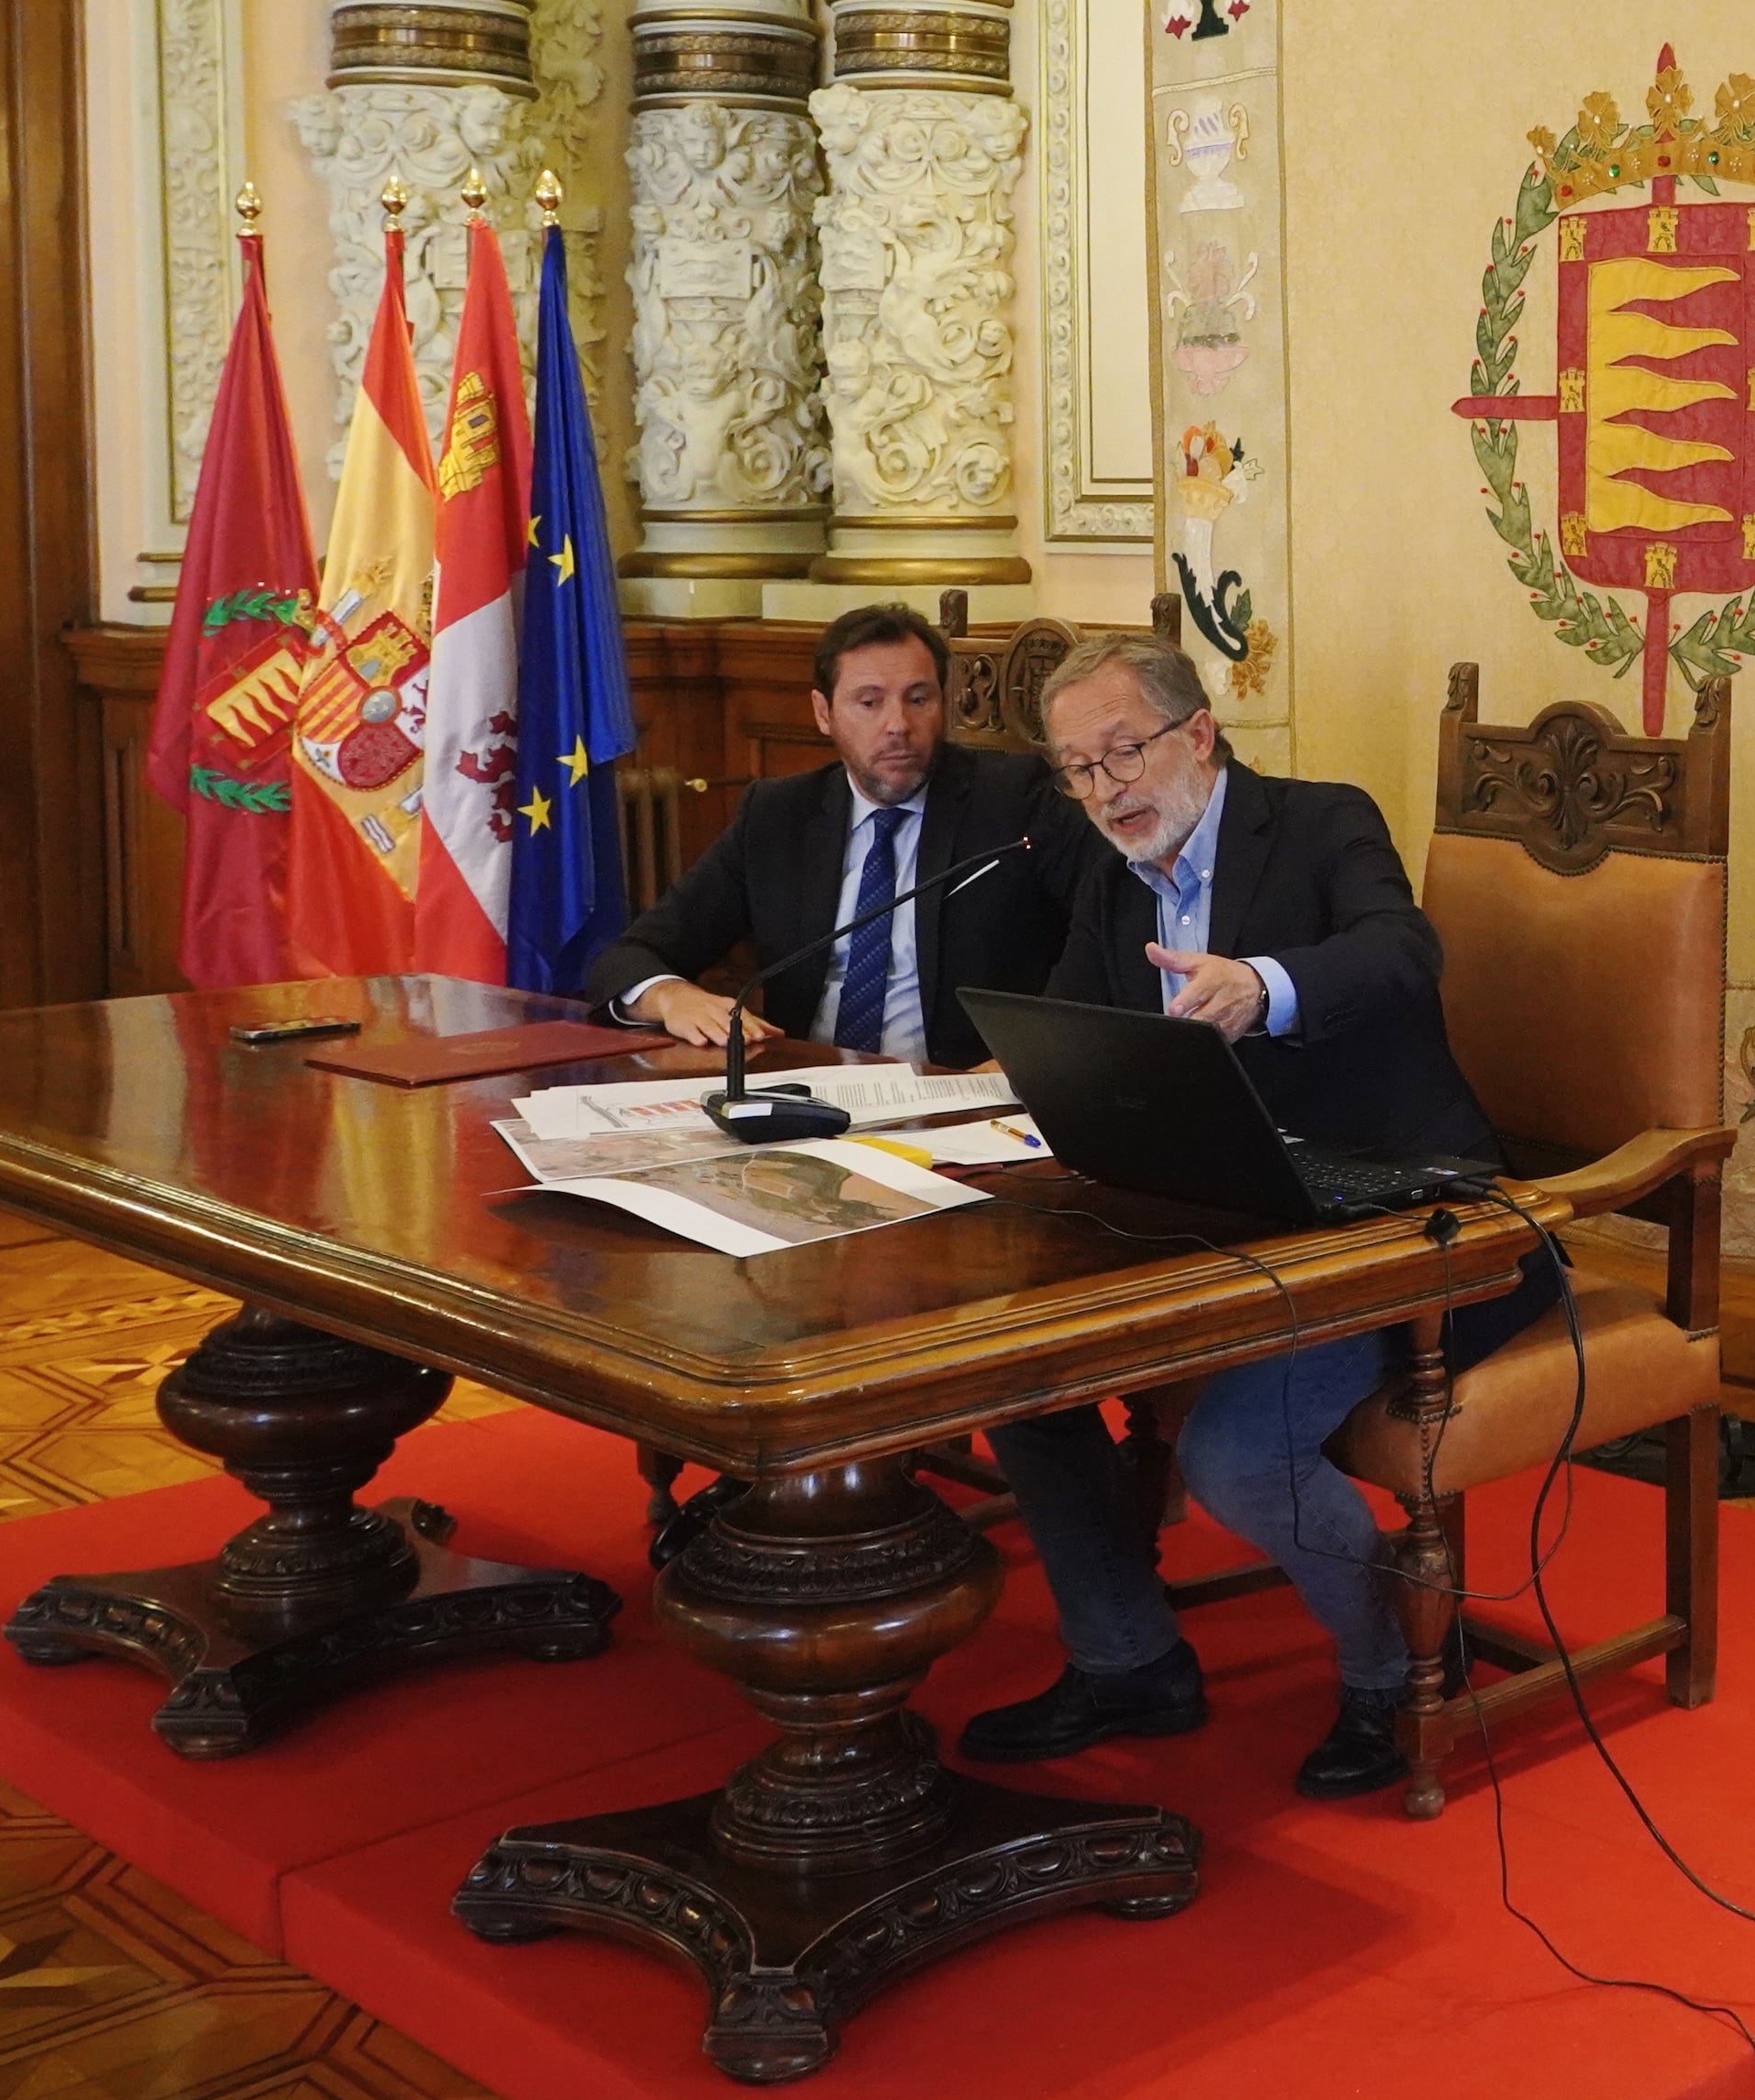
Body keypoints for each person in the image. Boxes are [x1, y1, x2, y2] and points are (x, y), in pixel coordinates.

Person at [960, 628, 1552, 1801]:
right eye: (1076, 772)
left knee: (1238, 1456)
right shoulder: (1102, 871)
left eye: (1121, 755)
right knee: (1011, 1379)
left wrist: (1265, 987)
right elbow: (1081, 1027)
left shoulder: (1323, 821)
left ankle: (1389, 1670)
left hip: (1392, 1217)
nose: (1102, 792)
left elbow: (1402, 949)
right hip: (1210, 1213)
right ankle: (1127, 1657)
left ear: (1197, 734)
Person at [584, 604, 1084, 1070]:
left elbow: (1104, 944)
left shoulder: (1015, 801)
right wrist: (672, 996)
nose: (898, 725)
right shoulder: (778, 815)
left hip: (960, 1100)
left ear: (946, 703)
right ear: (823, 713)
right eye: (869, 702)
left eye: (919, 699)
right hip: (809, 1094)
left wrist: (1027, 1059)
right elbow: (629, 956)